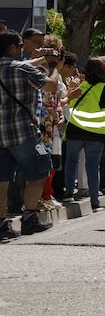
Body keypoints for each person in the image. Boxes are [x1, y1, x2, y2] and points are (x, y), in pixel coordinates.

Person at [0, 31, 60, 239]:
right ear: (14, 47)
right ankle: (29, 219)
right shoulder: (22, 68)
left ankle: (2, 224)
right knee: (41, 170)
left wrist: (44, 58)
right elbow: (51, 86)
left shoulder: (17, 67)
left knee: (2, 179)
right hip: (24, 132)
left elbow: (23, 65)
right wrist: (54, 68)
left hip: (1, 135)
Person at [63, 57, 105, 212]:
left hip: (76, 130)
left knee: (71, 161)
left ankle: (68, 193)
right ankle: (95, 201)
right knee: (93, 166)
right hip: (96, 133)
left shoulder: (79, 87)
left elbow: (68, 103)